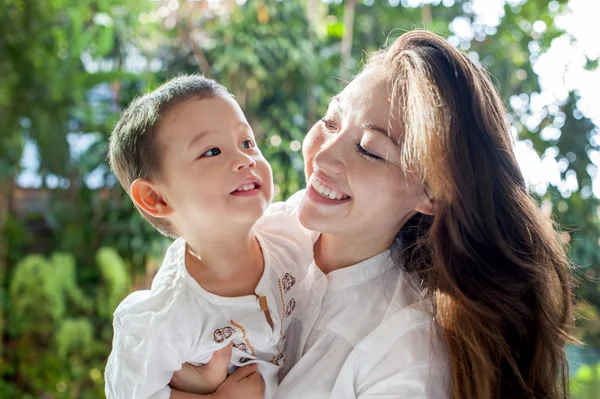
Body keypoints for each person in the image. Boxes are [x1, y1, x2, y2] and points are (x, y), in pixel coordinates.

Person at [175, 30, 575, 399]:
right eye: (330, 122)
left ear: (431, 193)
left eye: (369, 149)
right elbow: (146, 339)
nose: (324, 156)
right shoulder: (265, 227)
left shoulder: (409, 352)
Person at [104, 75, 313, 399]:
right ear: (156, 198)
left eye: (247, 143)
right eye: (212, 151)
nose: (245, 159)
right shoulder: (168, 319)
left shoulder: (292, 230)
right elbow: (132, 392)